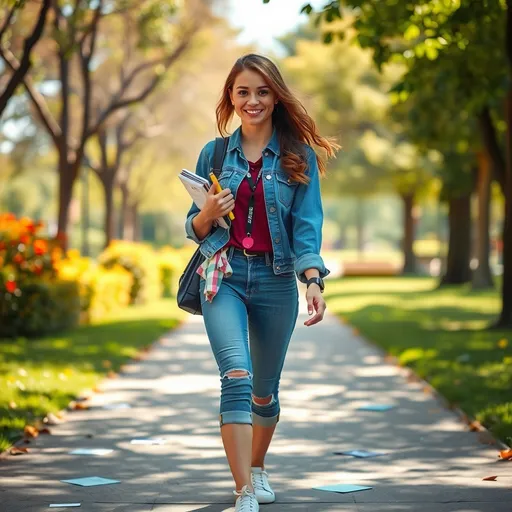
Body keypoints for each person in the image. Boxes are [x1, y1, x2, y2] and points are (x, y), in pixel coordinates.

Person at [185, 54, 338, 511]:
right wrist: (208, 214)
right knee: (235, 375)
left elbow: (306, 224)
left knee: (263, 391)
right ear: (230, 98)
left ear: (276, 96)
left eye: (262, 91)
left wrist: (312, 279)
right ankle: (243, 491)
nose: (252, 100)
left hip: (274, 281)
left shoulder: (297, 156)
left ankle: (257, 467)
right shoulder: (213, 154)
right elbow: (194, 226)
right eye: (243, 92)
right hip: (224, 275)